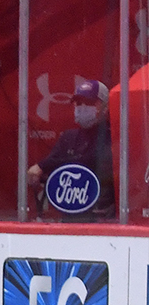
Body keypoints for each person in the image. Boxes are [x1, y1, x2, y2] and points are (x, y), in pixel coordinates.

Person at [28, 79, 115, 219]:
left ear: (105, 106)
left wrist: (43, 165)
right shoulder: (68, 137)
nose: (82, 107)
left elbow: (92, 159)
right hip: (69, 215)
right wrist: (39, 170)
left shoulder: (114, 136)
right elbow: (51, 165)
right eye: (79, 103)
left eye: (89, 103)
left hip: (104, 217)